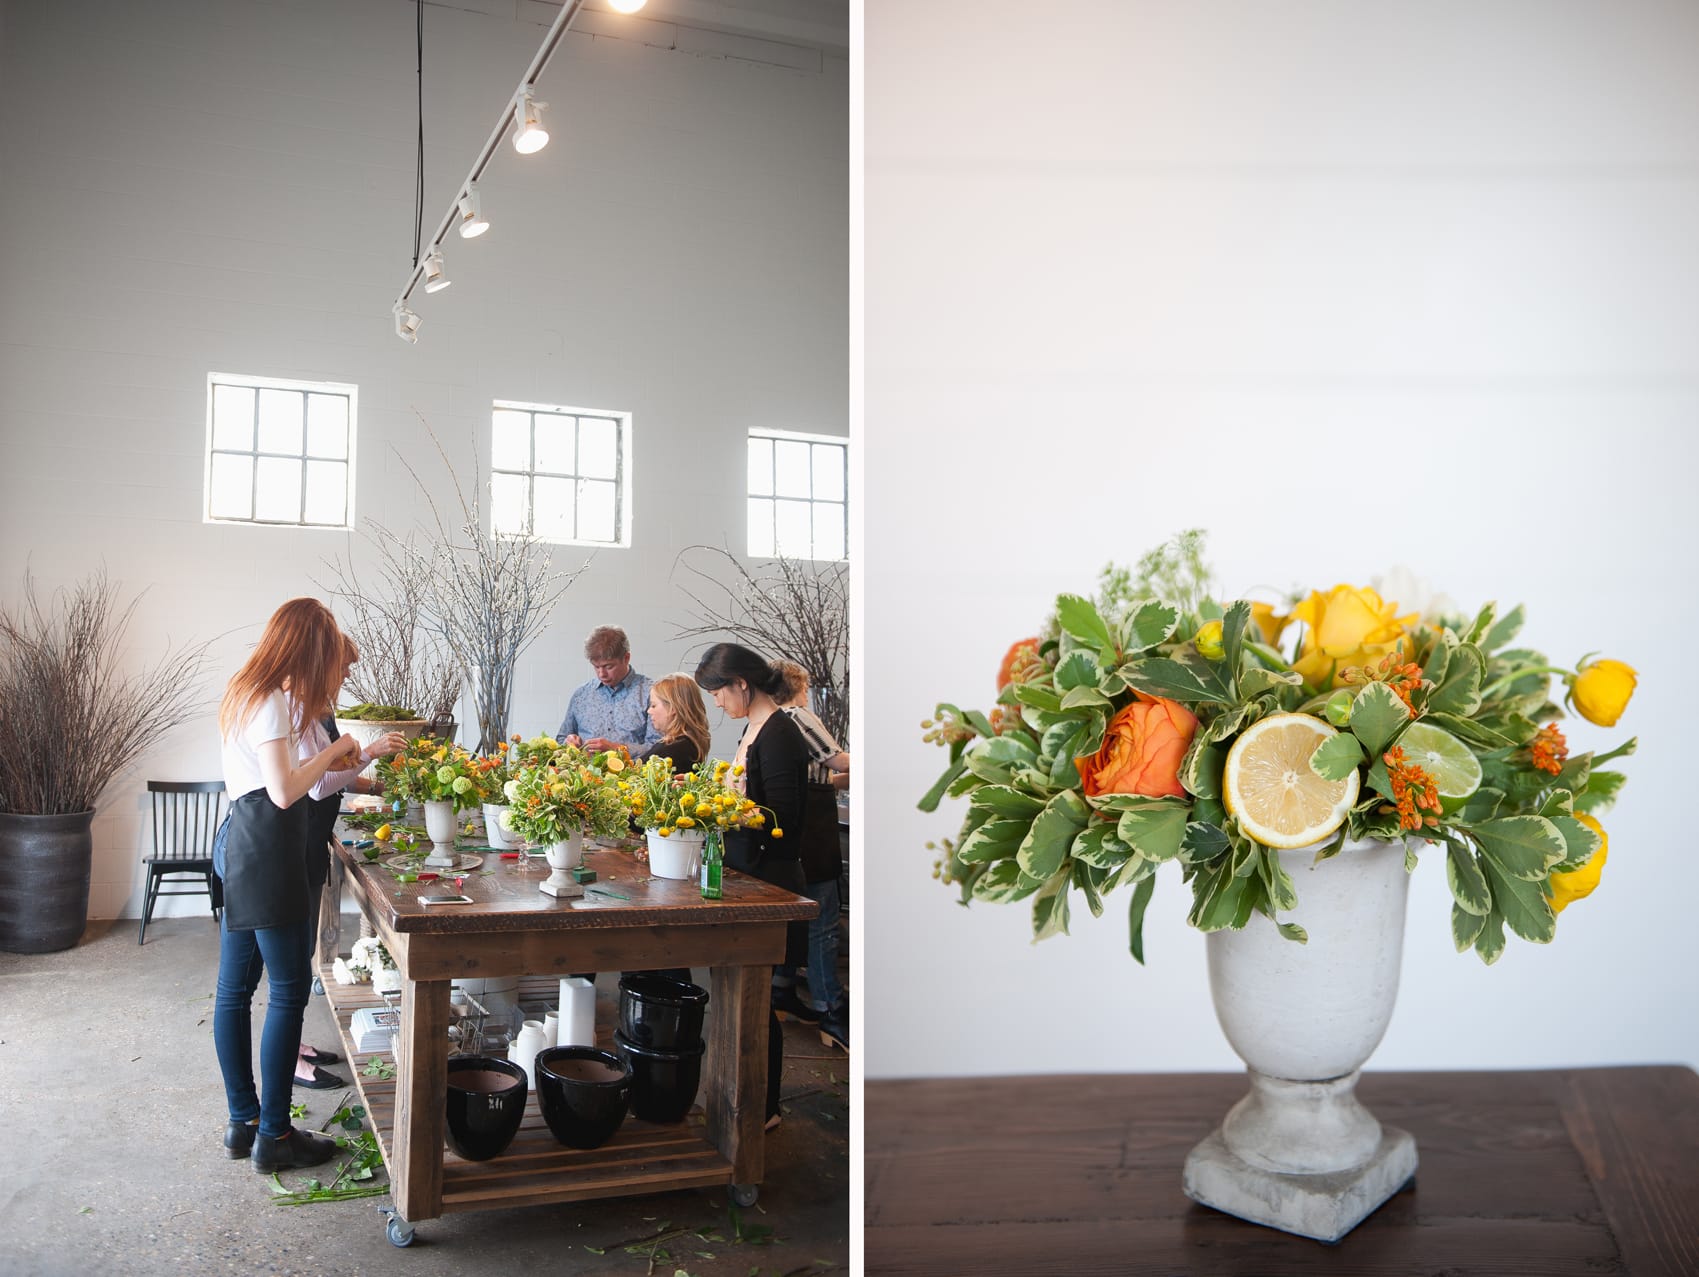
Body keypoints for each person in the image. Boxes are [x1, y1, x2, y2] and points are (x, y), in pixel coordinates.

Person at [215, 598, 362, 1173]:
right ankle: (275, 1135)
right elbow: (283, 790)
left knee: (234, 991)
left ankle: (243, 1122)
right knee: (288, 992)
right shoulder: (272, 701)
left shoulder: (244, 691)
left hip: (242, 846)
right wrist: (336, 747)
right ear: (308, 648)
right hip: (270, 851)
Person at [693, 642, 811, 1128]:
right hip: (746, 874)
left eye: (719, 691)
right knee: (743, 1000)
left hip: (771, 882)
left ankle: (762, 1109)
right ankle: (743, 1099)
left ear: (742, 683)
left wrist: (723, 808)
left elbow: (784, 816)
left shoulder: (781, 732)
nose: (717, 703)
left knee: (757, 1004)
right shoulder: (754, 728)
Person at [292, 635, 407, 1089]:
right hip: (299, 840)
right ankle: (290, 1059)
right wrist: (372, 755)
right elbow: (320, 784)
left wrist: (376, 787)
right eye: (345, 666)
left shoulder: (320, 709)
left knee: (299, 952)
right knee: (292, 959)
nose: (348, 675)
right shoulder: (303, 711)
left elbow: (337, 775)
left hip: (313, 836)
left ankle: (294, 1042)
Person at [770, 660, 849, 1052]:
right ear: (797, 686)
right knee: (823, 922)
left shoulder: (769, 723)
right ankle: (831, 1010)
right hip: (814, 833)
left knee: (796, 914)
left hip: (792, 835)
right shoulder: (798, 715)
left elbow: (819, 777)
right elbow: (840, 762)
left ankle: (782, 992)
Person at [557, 625, 662, 753]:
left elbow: (659, 748)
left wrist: (617, 750)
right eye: (596, 667)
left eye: (609, 666)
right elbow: (560, 739)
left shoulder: (651, 694)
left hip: (632, 772)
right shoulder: (581, 695)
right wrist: (568, 742)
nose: (602, 674)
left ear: (626, 658)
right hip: (583, 772)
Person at [632, 673, 712, 774]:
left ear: (672, 708)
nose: (649, 711)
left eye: (653, 705)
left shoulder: (674, 750)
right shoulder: (685, 744)